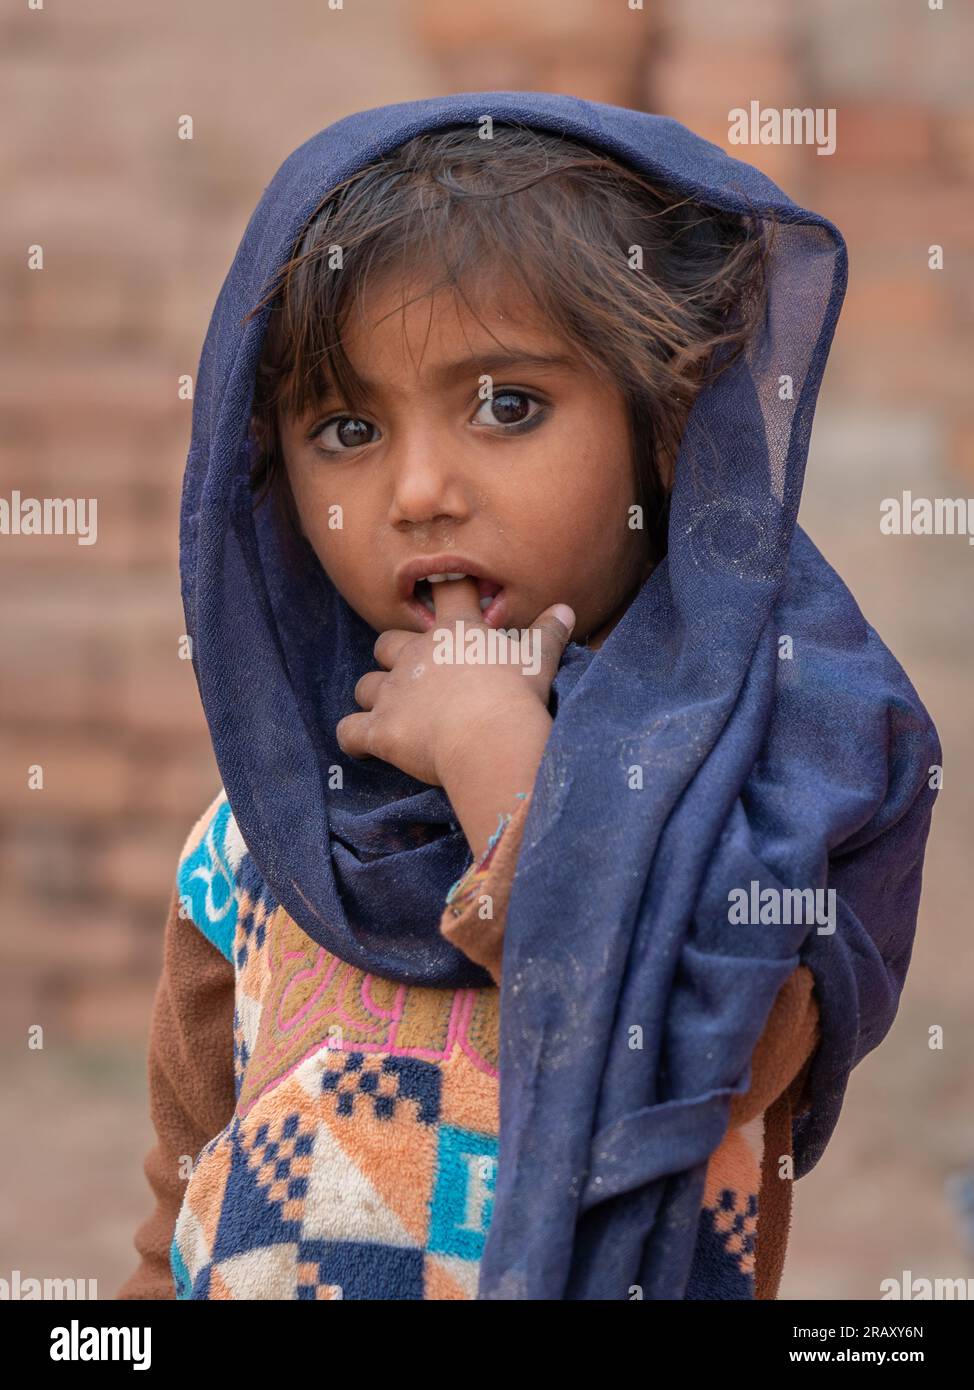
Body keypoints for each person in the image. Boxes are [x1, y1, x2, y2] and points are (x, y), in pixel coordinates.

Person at [117, 93, 938, 1301]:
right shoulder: (260, 841)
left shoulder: (760, 794)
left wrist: (504, 759)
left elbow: (725, 1045)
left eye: (507, 405)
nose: (419, 489)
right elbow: (176, 1201)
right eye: (344, 426)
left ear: (661, 427)